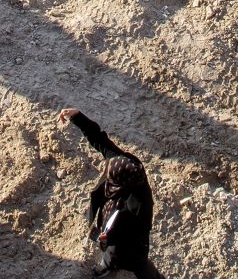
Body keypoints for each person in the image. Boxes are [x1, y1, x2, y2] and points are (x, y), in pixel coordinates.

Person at [59, 109, 165, 279]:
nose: (106, 176)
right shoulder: (123, 164)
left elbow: (133, 231)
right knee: (141, 267)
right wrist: (77, 116)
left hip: (127, 244)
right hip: (114, 233)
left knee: (119, 264)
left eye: (111, 178)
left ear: (122, 183)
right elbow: (100, 140)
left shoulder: (139, 206)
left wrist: (108, 236)